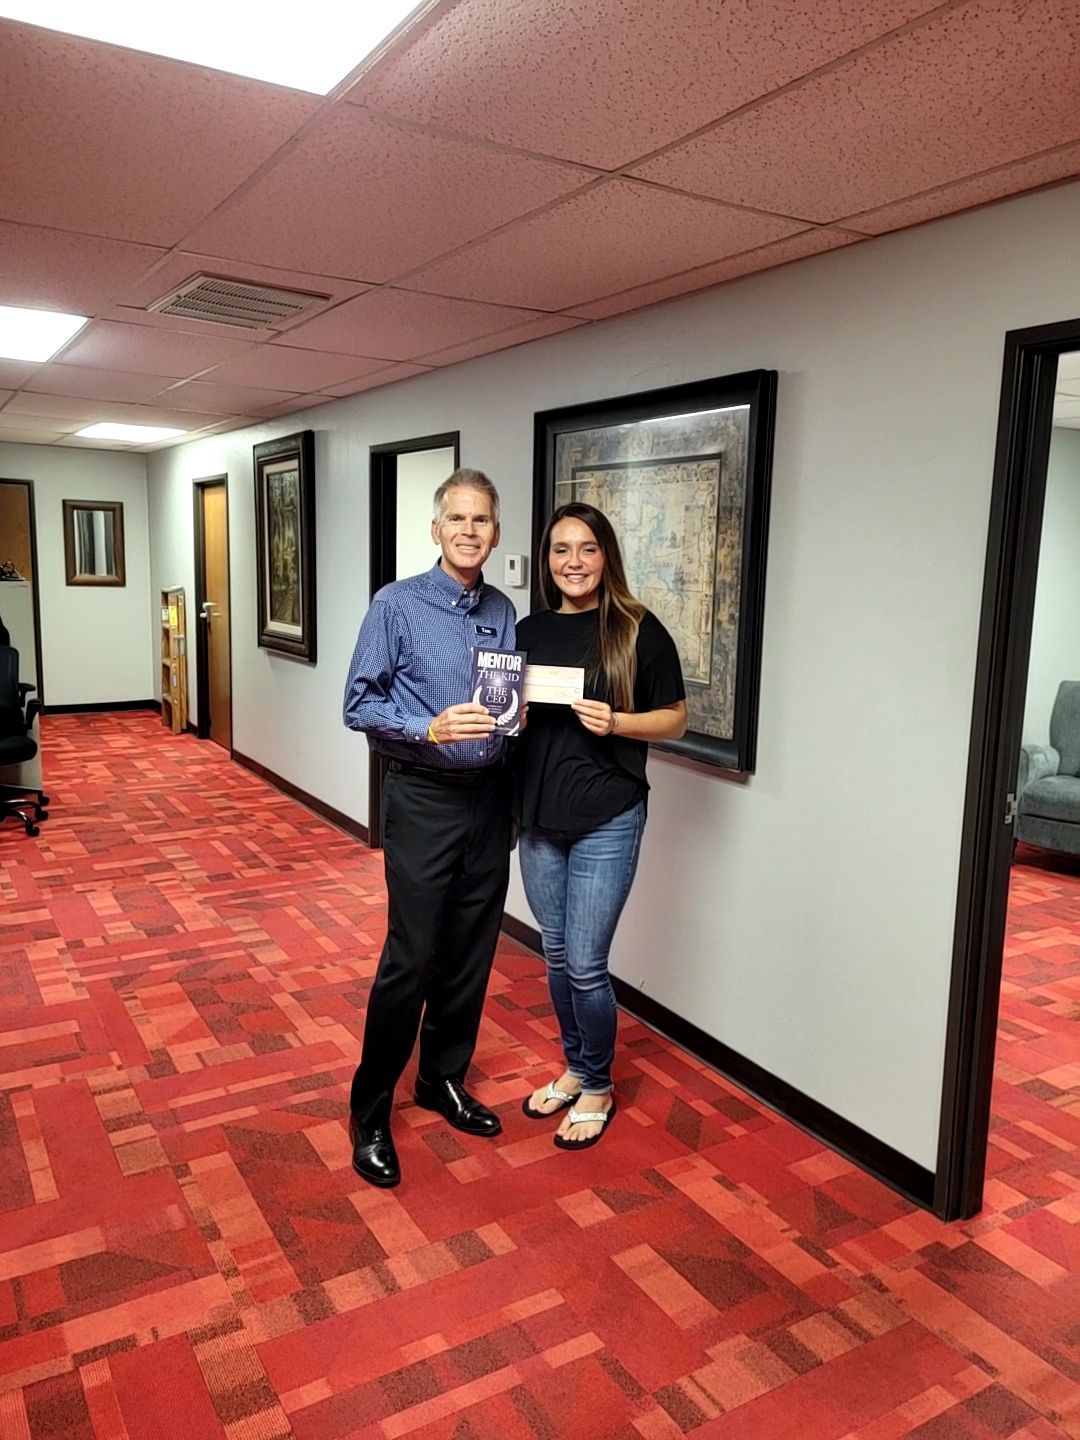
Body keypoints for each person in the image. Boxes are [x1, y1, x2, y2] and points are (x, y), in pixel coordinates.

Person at [343, 468, 516, 1187]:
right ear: (435, 528)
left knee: (471, 950)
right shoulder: (396, 605)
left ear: (495, 533)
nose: (469, 532)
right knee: (410, 956)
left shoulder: (502, 608)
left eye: (482, 521)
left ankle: (440, 1079)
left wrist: (514, 720)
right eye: (458, 519)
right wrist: (428, 727)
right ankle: (371, 1109)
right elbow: (358, 703)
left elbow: (501, 694)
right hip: (421, 796)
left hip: (488, 798)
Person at [515, 503, 687, 1150]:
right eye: (561, 550)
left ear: (606, 556)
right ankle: (574, 1066)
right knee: (555, 954)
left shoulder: (636, 629)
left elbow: (674, 718)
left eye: (587, 549)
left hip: (607, 816)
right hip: (537, 816)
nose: (574, 563)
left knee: (585, 963)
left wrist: (617, 722)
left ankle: (598, 1085)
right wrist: (513, 717)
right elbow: (506, 713)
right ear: (548, 561)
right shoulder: (529, 629)